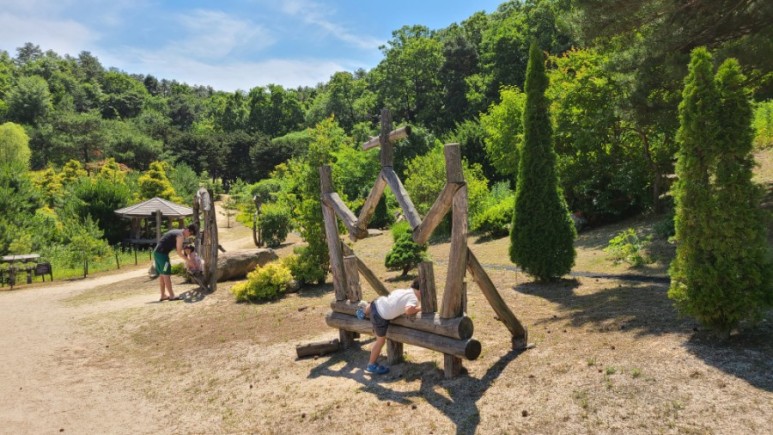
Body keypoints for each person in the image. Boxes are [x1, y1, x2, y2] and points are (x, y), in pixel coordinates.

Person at [356, 278, 422, 375]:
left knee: (377, 302)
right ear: (421, 291)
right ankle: (371, 364)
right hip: (380, 316)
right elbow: (408, 310)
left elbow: (392, 298)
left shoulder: (403, 291)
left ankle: (363, 311)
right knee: (380, 341)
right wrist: (420, 308)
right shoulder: (414, 299)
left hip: (375, 304)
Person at [153, 224, 197, 301]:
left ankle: (163, 295)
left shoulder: (177, 232)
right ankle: (172, 295)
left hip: (157, 253)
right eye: (190, 234)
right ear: (187, 229)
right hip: (162, 256)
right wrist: (189, 261)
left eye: (191, 235)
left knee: (162, 274)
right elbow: (179, 252)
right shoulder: (180, 236)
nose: (188, 236)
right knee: (166, 274)